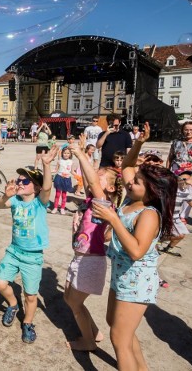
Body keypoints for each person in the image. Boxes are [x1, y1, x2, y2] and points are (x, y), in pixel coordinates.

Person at [91, 122, 177, 370]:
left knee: (119, 338)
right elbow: (127, 166)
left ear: (152, 191)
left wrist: (113, 220)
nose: (130, 181)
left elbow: (138, 251)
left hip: (137, 279)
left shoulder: (148, 214)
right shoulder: (132, 198)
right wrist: (139, 142)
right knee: (117, 327)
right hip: (122, 275)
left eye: (137, 181)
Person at [0, 145, 59, 344]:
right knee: (0, 283)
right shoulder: (14, 201)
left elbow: (47, 188)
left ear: (36, 187)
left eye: (25, 181)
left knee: (31, 296)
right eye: (19, 179)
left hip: (32, 256)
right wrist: (6, 194)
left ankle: (28, 323)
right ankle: (13, 304)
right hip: (13, 251)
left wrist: (46, 165)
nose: (20, 183)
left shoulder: (39, 202)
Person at [65, 144, 123, 351]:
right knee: (68, 298)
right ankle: (95, 333)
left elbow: (90, 180)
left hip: (91, 261)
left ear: (110, 188)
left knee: (75, 304)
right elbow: (87, 179)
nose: (93, 178)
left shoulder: (104, 204)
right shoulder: (92, 202)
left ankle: (88, 343)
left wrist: (81, 154)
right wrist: (80, 156)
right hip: (80, 258)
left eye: (100, 177)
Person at [51, 147, 74, 215]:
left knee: (64, 195)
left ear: (70, 154)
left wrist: (79, 176)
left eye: (68, 153)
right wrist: (48, 170)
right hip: (59, 178)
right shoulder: (59, 161)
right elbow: (56, 170)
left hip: (67, 179)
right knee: (57, 194)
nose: (66, 154)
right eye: (65, 153)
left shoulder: (71, 162)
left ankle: (62, 208)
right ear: (62, 153)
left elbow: (72, 171)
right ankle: (55, 207)